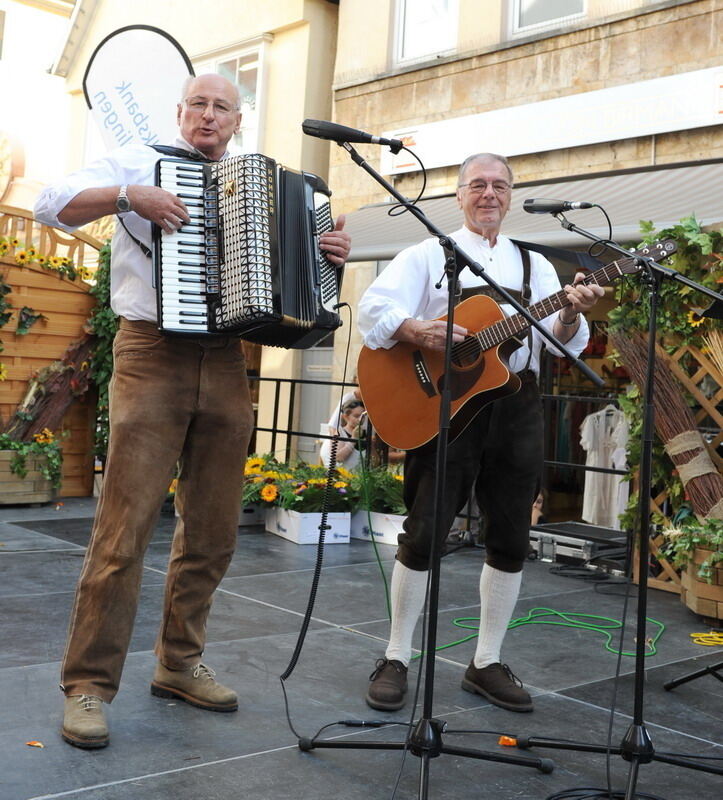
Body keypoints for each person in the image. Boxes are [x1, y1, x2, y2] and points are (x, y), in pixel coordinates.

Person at [34, 73, 351, 749]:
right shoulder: (136, 164)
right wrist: (128, 197)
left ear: (238, 122)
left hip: (228, 358)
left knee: (213, 529)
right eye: (198, 105)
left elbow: (298, 278)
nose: (208, 116)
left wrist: (326, 260)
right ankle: (87, 685)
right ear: (180, 113)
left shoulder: (257, 185)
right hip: (151, 352)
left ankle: (178, 663)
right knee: (125, 529)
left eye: (222, 109)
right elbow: (48, 204)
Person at [357, 152, 603, 713]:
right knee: (424, 532)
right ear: (460, 196)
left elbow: (561, 342)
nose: (488, 193)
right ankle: (397, 655)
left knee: (512, 536)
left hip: (516, 406)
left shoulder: (533, 265)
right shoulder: (427, 253)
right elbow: (375, 309)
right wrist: (418, 328)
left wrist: (570, 313)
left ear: (511, 195)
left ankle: (486, 662)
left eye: (499, 185)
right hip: (443, 407)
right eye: (478, 185)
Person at [320, 399, 366, 471]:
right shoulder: (340, 433)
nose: (360, 419)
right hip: (344, 478)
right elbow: (338, 458)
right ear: (346, 417)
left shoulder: (365, 433)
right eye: (356, 416)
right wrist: (353, 439)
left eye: (363, 416)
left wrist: (372, 446)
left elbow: (374, 462)